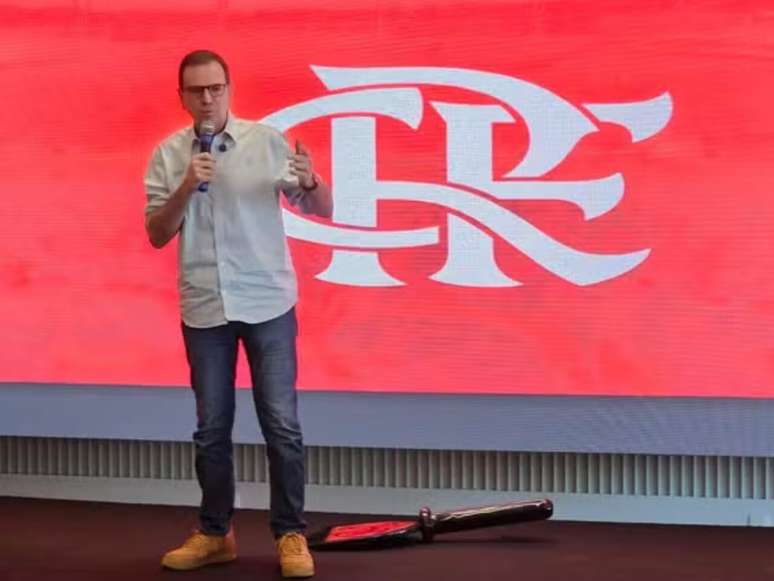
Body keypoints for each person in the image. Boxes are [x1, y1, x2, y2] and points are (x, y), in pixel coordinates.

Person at [143, 49, 332, 578]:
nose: (207, 98)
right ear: (182, 97)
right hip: (205, 304)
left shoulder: (266, 142)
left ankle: (290, 533)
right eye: (197, 90)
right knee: (211, 429)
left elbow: (321, 208)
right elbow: (157, 233)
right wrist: (187, 184)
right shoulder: (167, 155)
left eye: (216, 88)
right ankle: (214, 533)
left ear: (228, 89)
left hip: (267, 301)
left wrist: (312, 182)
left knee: (282, 425)